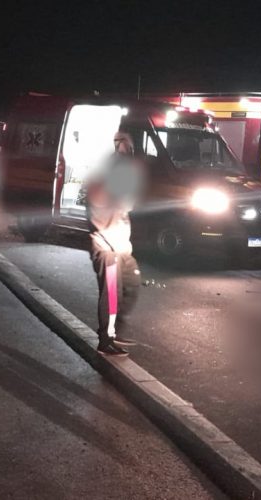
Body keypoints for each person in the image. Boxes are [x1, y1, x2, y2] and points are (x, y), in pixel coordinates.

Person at [87, 131, 144, 356]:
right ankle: (106, 339)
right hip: (107, 248)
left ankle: (115, 330)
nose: (130, 151)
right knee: (110, 294)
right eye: (127, 147)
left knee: (132, 283)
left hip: (121, 248)